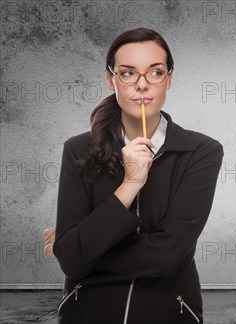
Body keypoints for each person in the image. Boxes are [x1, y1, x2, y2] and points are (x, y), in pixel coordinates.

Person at [43, 27, 223, 324]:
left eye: (155, 72)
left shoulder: (202, 151)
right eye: (127, 73)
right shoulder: (77, 149)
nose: (141, 85)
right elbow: (73, 259)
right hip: (87, 313)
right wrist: (131, 183)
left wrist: (79, 248)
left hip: (168, 312)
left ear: (169, 79)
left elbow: (169, 254)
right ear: (110, 79)